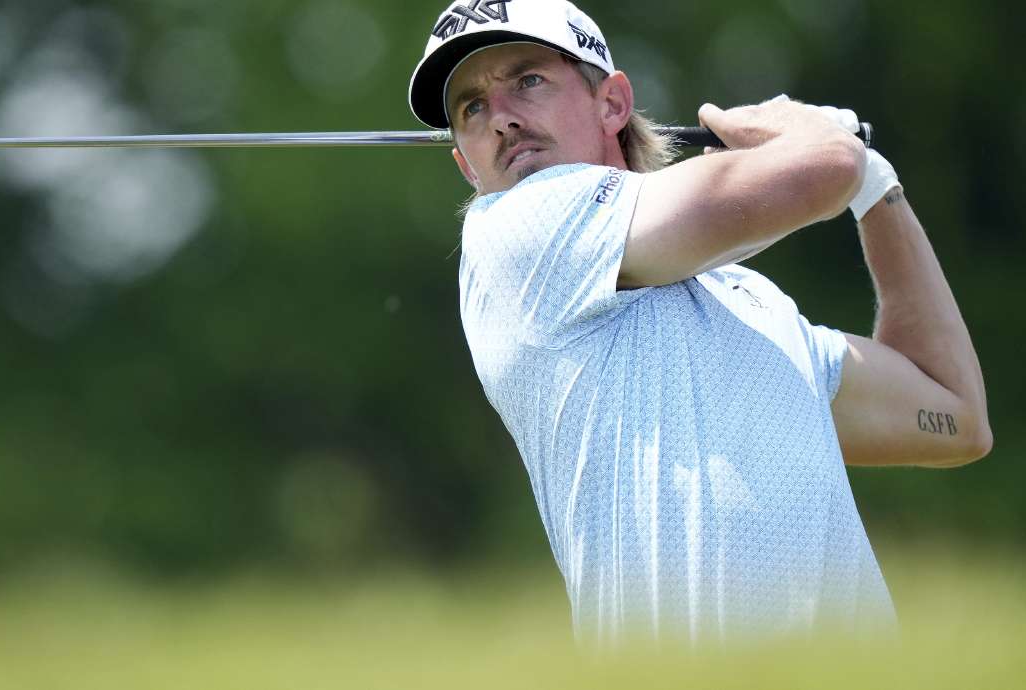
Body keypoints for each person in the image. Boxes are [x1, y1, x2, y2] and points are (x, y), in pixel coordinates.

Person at [408, 0, 992, 644]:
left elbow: (955, 414)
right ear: (465, 161)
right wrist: (823, 144)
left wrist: (878, 189)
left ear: (612, 104)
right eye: (472, 107)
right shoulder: (513, 232)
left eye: (527, 80)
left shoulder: (751, 301)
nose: (502, 119)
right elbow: (819, 172)